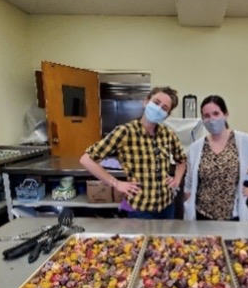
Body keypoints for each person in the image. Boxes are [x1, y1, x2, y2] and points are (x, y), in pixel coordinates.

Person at [80, 86, 186, 219]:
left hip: (167, 206)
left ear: (167, 115)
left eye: (164, 108)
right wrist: (116, 183)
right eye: (156, 103)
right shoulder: (124, 132)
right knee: (141, 240)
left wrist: (177, 179)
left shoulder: (168, 134)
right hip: (140, 209)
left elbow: (181, 160)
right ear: (146, 102)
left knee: (165, 240)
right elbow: (86, 159)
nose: (159, 109)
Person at [184, 95, 248, 221]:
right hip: (202, 215)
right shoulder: (196, 147)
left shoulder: (244, 141)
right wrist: (189, 202)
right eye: (206, 116)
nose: (211, 119)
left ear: (226, 114)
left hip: (233, 216)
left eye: (216, 113)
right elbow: (189, 181)